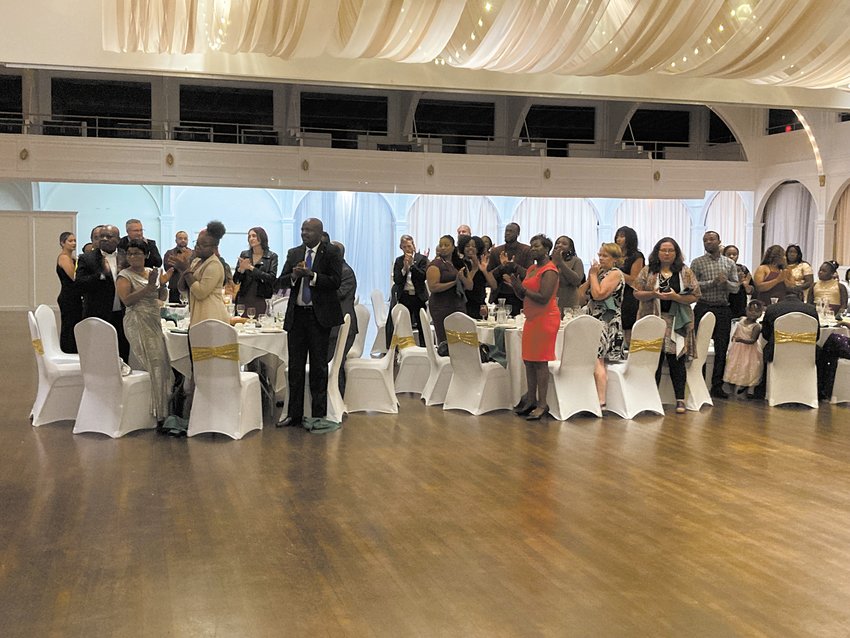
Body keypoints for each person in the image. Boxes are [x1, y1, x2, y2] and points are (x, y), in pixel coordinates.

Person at [276, 218, 343, 429]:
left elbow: (335, 282)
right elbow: (281, 282)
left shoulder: (331, 252)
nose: (304, 233)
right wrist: (294, 277)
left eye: (309, 230)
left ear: (319, 232)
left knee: (318, 367)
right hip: (297, 317)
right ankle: (293, 415)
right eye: (302, 230)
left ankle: (318, 415)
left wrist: (312, 275)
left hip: (319, 316)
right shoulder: (294, 253)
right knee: (295, 367)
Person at [634, 238, 701, 414]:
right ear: (657, 252)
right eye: (663, 250)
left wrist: (676, 297)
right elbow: (636, 292)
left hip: (676, 320)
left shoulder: (685, 272)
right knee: (653, 359)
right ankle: (650, 398)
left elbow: (695, 295)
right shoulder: (648, 271)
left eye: (670, 250)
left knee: (676, 360)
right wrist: (652, 294)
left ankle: (680, 399)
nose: (666, 253)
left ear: (676, 253)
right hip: (652, 319)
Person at [116, 239, 174, 427]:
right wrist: (148, 288)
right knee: (144, 360)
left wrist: (163, 285)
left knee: (160, 362)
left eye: (137, 253)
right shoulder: (124, 275)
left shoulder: (151, 273)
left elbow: (161, 298)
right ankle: (143, 412)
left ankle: (161, 410)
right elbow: (126, 301)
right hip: (136, 320)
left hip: (153, 319)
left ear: (146, 255)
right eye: (130, 254)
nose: (133, 257)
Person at [508, 234, 560, 421]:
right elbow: (524, 296)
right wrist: (516, 287)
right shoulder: (531, 268)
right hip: (531, 318)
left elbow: (544, 297)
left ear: (547, 249)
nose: (533, 249)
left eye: (537, 246)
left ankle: (542, 403)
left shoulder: (550, 270)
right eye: (531, 246)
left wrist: (523, 290)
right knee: (529, 360)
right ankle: (530, 399)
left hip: (546, 318)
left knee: (540, 361)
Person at [690, 230, 739, 399]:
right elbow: (692, 286)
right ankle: (699, 381)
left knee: (721, 347)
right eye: (705, 240)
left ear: (719, 241)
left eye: (711, 239)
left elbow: (736, 287)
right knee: (698, 346)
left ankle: (717, 385)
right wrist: (713, 283)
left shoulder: (729, 263)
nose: (708, 242)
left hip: (723, 308)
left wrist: (726, 283)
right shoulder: (697, 263)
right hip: (703, 306)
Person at [579, 242, 626, 408]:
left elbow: (598, 295)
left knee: (598, 360)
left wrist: (592, 276)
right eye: (600, 255)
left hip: (606, 321)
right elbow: (580, 295)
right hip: (593, 320)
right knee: (594, 359)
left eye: (605, 255)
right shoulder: (600, 274)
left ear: (615, 259)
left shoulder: (615, 274)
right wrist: (592, 275)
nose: (601, 258)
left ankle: (601, 400)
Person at [75, 224, 130, 362]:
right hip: (98, 314)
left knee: (123, 350)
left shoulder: (126, 257)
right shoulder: (87, 258)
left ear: (118, 239)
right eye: (101, 236)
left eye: (109, 236)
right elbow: (79, 284)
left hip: (123, 314)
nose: (104, 239)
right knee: (99, 353)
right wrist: (101, 275)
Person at [753, 291, 820, 399]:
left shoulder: (772, 308)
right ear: (801, 296)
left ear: (784, 296)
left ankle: (762, 389)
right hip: (806, 354)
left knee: (764, 349)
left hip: (777, 352)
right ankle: (819, 391)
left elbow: (765, 335)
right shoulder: (810, 309)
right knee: (821, 351)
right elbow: (816, 337)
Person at [172, 221, 231, 327]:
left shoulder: (214, 264)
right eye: (197, 244)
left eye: (203, 245)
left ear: (214, 248)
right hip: (197, 316)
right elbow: (182, 288)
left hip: (212, 317)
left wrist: (186, 269)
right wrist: (183, 270)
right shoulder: (195, 261)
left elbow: (200, 293)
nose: (197, 248)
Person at [328, 241, 358, 394]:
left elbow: (337, 295)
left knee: (335, 364)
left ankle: (337, 398)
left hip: (341, 327)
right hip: (333, 326)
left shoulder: (345, 272)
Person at [390, 235, 429, 347]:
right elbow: (397, 280)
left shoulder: (421, 259)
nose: (407, 249)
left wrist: (412, 266)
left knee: (421, 324)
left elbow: (423, 276)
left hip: (418, 296)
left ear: (413, 246)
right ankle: (403, 347)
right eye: (404, 247)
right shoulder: (399, 261)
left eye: (409, 246)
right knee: (403, 323)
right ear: (401, 248)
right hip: (405, 296)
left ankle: (424, 347)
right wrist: (404, 269)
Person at [427, 235, 467, 344]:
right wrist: (454, 283)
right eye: (441, 245)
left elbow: (469, 285)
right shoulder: (435, 264)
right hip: (441, 306)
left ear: (453, 247)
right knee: (445, 339)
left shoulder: (456, 263)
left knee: (460, 339)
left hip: (456, 304)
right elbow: (433, 287)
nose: (443, 248)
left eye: (446, 245)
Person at [486, 222, 532, 316]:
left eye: (511, 231)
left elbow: (529, 274)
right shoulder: (496, 251)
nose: (507, 233)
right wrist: (502, 267)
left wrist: (514, 266)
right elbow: (489, 275)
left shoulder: (526, 250)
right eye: (506, 231)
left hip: (519, 296)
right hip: (499, 295)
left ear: (518, 233)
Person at [723, 299, 764, 399]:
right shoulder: (741, 320)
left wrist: (741, 339)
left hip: (749, 351)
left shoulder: (756, 327)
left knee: (746, 367)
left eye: (756, 311)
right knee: (734, 364)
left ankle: (746, 386)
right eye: (751, 310)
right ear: (746, 310)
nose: (753, 313)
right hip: (737, 349)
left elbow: (753, 340)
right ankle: (732, 384)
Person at [233, 226, 279, 317]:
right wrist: (241, 270)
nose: (251, 239)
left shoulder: (272, 256)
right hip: (244, 296)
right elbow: (236, 280)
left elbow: (271, 278)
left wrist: (251, 268)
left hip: (261, 297)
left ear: (262, 237)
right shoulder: (244, 254)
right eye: (249, 236)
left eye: (254, 236)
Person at [614, 226, 644, 343]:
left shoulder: (636, 256)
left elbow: (634, 280)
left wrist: (616, 272)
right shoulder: (614, 255)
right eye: (617, 236)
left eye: (622, 236)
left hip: (629, 296)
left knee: (629, 329)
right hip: (614, 294)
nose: (618, 239)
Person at [457, 235, 497, 319]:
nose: (470, 248)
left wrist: (484, 270)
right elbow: (465, 287)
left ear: (478, 249)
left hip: (480, 305)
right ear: (462, 248)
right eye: (467, 246)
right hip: (464, 305)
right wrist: (474, 269)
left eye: (474, 246)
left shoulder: (483, 263)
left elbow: (494, 286)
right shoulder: (460, 263)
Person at [56, 231, 82, 353]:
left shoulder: (72, 258)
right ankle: (67, 350)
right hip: (68, 296)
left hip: (74, 296)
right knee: (69, 325)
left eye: (75, 241)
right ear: (62, 243)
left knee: (75, 324)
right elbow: (74, 276)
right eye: (70, 241)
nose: (74, 243)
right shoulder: (63, 258)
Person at [551, 235, 585, 312]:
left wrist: (561, 263)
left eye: (564, 244)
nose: (560, 245)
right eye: (558, 243)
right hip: (552, 299)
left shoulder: (576, 261)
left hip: (570, 299)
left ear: (570, 248)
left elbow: (577, 281)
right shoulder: (549, 260)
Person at [162, 231, 192, 303]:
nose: (183, 240)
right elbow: (168, 268)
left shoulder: (193, 253)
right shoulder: (170, 253)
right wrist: (182, 264)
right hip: (175, 288)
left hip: (190, 287)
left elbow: (194, 268)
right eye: (180, 238)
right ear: (176, 240)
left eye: (185, 238)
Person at [723, 245, 752, 318]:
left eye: (734, 254)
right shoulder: (721, 269)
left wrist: (746, 286)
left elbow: (751, 290)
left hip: (741, 304)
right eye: (729, 254)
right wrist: (737, 282)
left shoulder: (743, 269)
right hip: (726, 304)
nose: (732, 256)